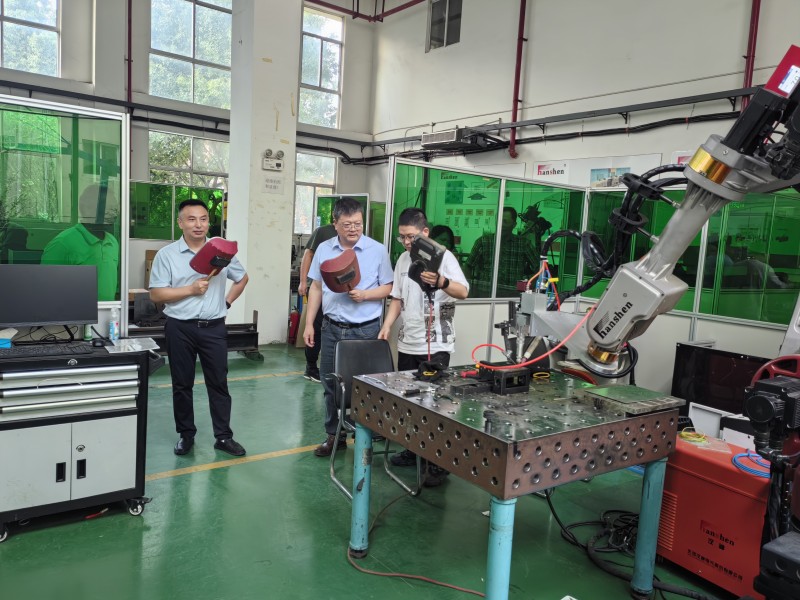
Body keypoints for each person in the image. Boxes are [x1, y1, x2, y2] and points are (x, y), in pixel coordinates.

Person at [149, 199, 249, 457]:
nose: (198, 224)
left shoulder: (221, 253)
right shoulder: (167, 255)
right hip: (179, 328)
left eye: (203, 219)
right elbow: (157, 294)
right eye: (191, 219)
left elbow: (242, 278)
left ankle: (223, 437)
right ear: (180, 222)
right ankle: (186, 435)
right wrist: (190, 289)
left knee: (218, 383)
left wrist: (226, 302)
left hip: (214, 328)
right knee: (182, 384)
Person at [379, 208, 469, 487]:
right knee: (409, 401)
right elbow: (397, 298)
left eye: (411, 237)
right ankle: (412, 449)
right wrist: (387, 325)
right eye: (402, 237)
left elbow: (463, 291)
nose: (406, 242)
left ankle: (438, 463)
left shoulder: (444, 258)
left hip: (436, 344)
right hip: (408, 341)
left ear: (425, 233)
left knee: (435, 405)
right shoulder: (403, 260)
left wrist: (441, 281)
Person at [303, 196, 393, 457]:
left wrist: (366, 295)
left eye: (358, 223)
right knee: (330, 383)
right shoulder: (324, 249)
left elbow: (389, 288)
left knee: (367, 385)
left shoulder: (377, 250)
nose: (353, 229)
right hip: (331, 328)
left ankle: (368, 431)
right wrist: (309, 324)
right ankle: (335, 435)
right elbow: (316, 287)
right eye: (347, 224)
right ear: (335, 224)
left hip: (365, 329)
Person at [41, 183, 120, 301]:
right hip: (74, 311)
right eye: (108, 209)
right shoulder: (62, 244)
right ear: (86, 209)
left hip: (108, 311)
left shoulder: (112, 242)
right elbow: (46, 290)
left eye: (114, 210)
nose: (114, 215)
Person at [465, 206, 538, 297]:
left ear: (514, 225)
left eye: (505, 221)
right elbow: (468, 266)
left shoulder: (523, 244)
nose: (501, 225)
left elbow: (539, 268)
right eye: (499, 221)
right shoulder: (483, 241)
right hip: (485, 294)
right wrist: (469, 289)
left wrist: (527, 285)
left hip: (512, 295)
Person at [298, 221, 337, 382]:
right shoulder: (323, 232)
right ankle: (311, 367)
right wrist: (303, 282)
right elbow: (308, 255)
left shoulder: (354, 236)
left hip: (338, 293)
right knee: (316, 327)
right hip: (320, 289)